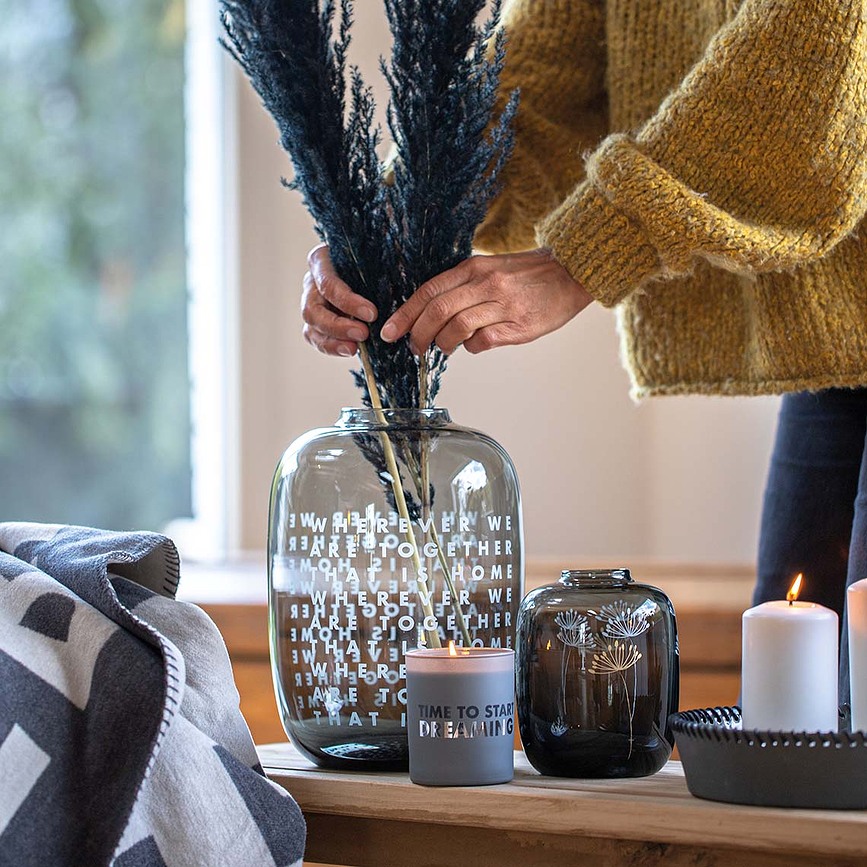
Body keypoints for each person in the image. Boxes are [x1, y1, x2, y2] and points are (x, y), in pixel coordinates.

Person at [300, 0, 867, 705]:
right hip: (842, 360)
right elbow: (538, 85)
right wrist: (388, 224)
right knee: (790, 727)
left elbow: (810, 56)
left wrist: (582, 256)